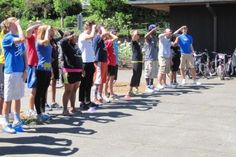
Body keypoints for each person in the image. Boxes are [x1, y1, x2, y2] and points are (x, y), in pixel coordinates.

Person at [2, 17, 27, 133]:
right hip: (10, 71)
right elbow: (22, 39)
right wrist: (19, 26)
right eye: (14, 22)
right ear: (8, 26)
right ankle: (6, 122)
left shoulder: (17, 38)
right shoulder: (7, 38)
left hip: (20, 71)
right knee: (8, 99)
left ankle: (17, 120)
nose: (17, 24)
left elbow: (24, 55)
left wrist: (25, 69)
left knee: (18, 97)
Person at [59, 32, 82, 116]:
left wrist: (82, 68)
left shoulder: (75, 45)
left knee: (74, 90)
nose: (75, 37)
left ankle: (72, 107)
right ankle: (65, 109)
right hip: (67, 71)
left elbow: (79, 57)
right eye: (74, 36)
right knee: (68, 91)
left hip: (77, 71)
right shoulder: (65, 45)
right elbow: (61, 42)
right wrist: (68, 37)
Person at [35, 25, 53, 122]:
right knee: (39, 92)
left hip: (47, 69)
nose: (50, 33)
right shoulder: (39, 41)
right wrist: (46, 31)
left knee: (44, 91)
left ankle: (43, 111)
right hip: (41, 69)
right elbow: (45, 42)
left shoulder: (48, 41)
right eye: (48, 31)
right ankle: (38, 113)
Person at [78, 21, 97, 111]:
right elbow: (92, 35)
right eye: (91, 26)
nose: (93, 28)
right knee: (84, 83)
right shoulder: (83, 35)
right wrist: (93, 28)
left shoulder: (90, 37)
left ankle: (87, 100)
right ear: (87, 27)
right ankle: (82, 102)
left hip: (90, 62)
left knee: (89, 83)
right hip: (84, 62)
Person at [25, 21, 41, 118]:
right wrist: (36, 24)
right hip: (33, 64)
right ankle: (30, 110)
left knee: (39, 90)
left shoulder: (39, 37)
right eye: (36, 28)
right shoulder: (31, 37)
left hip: (40, 65)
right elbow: (27, 31)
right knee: (33, 89)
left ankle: (38, 110)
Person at [92, 25, 108, 105]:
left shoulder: (101, 39)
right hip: (99, 61)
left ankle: (99, 96)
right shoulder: (97, 37)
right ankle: (94, 98)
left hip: (103, 61)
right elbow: (105, 33)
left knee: (102, 80)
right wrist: (101, 28)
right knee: (98, 80)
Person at [49, 27, 64, 109]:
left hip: (55, 64)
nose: (53, 32)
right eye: (51, 31)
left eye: (52, 31)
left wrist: (58, 29)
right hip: (48, 64)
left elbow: (62, 35)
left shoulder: (54, 40)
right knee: (47, 83)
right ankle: (44, 103)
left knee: (54, 82)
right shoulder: (46, 40)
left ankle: (53, 101)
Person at [126, 30, 143, 97]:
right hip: (135, 60)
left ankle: (136, 89)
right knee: (135, 75)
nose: (138, 35)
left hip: (139, 60)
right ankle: (130, 90)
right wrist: (135, 32)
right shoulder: (133, 42)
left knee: (139, 75)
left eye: (139, 34)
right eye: (137, 34)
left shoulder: (137, 43)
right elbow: (134, 36)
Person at [144, 24, 159, 93]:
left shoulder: (155, 37)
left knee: (153, 73)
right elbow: (145, 36)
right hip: (149, 58)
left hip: (155, 57)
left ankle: (151, 85)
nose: (156, 30)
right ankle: (147, 86)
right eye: (154, 29)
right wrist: (152, 30)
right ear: (151, 29)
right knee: (148, 72)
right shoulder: (148, 37)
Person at [104, 32, 118, 102]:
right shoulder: (107, 42)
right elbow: (115, 38)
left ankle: (111, 93)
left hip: (112, 63)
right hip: (109, 63)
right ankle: (106, 93)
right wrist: (109, 33)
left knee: (111, 79)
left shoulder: (109, 42)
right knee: (107, 79)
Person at [0, 20, 9, 125]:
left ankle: (7, 112)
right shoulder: (4, 35)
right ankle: (2, 114)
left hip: (8, 64)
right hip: (2, 63)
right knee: (2, 90)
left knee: (7, 91)